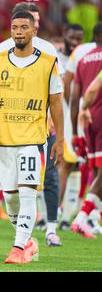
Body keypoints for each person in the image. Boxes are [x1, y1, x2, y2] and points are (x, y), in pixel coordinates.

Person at [0, 11, 64, 264]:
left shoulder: (48, 61)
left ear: (34, 31)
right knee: (10, 198)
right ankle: (27, 240)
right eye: (15, 27)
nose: (18, 31)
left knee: (27, 191)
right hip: (5, 139)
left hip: (32, 139)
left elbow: (56, 102)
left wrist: (60, 139)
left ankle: (18, 248)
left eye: (24, 27)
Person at [70, 22, 102, 239]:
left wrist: (75, 126)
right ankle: (82, 218)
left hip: (89, 119)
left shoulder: (83, 59)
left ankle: (92, 218)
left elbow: (76, 95)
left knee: (98, 171)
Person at [56, 24, 84, 230]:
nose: (76, 42)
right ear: (64, 35)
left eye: (79, 38)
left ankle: (67, 216)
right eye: (72, 37)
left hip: (76, 117)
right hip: (60, 117)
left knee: (75, 166)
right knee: (62, 164)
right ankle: (52, 212)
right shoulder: (56, 58)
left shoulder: (82, 57)